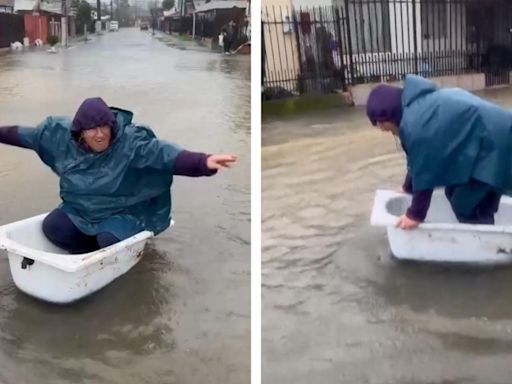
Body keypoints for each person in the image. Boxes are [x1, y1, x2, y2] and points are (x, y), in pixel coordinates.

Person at [0, 97, 237, 253]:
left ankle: (110, 247)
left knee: (108, 240)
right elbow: (23, 135)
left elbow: (162, 153)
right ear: (80, 132)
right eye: (92, 128)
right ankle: (89, 255)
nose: (101, 134)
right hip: (82, 211)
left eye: (105, 127)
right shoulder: (59, 138)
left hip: (124, 211)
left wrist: (202, 162)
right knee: (52, 227)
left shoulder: (130, 143)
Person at [366, 74, 511, 230]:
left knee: (464, 204)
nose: (381, 128)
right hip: (487, 143)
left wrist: (415, 215)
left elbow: (426, 170)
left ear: (390, 114)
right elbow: (418, 160)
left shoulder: (416, 124)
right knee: (452, 190)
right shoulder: (414, 110)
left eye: (380, 123)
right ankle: (486, 231)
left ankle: (486, 244)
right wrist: (407, 188)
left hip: (497, 145)